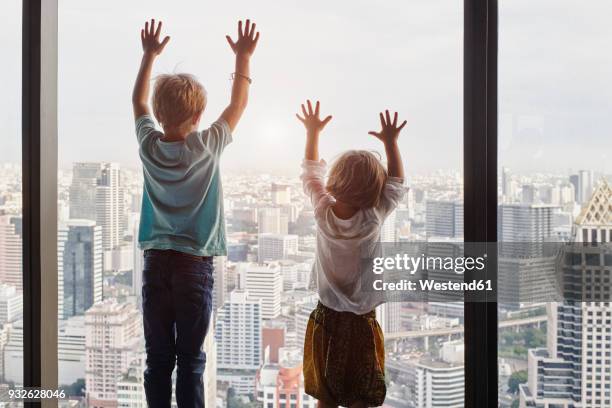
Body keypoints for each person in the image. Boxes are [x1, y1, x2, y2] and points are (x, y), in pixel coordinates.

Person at [131, 18, 259, 408]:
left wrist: (148, 56)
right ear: (198, 117)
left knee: (157, 359)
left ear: (159, 112)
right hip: (194, 265)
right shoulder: (206, 146)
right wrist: (242, 58)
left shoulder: (149, 145)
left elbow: (138, 102)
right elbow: (237, 104)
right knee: (191, 360)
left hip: (155, 263)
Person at [296, 100, 408, 407]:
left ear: (335, 181)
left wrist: (312, 132)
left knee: (326, 396)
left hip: (327, 316)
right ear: (375, 188)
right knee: (360, 395)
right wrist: (391, 143)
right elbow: (397, 184)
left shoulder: (322, 211)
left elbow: (310, 173)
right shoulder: (373, 217)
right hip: (361, 319)